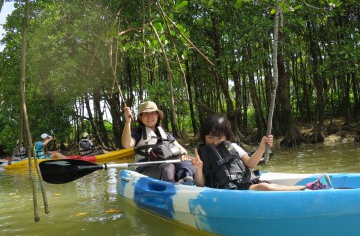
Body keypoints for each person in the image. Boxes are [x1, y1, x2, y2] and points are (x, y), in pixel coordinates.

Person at [191, 114, 322, 191]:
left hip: (245, 182)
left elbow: (251, 163)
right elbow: (200, 184)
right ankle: (306, 189)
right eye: (210, 137)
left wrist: (262, 147)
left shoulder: (233, 147)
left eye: (218, 137)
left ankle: (307, 188)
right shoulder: (202, 155)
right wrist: (198, 168)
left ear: (226, 136)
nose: (214, 141)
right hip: (229, 190)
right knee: (265, 187)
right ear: (204, 137)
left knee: (270, 185)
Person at [121, 101, 194, 184]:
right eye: (146, 114)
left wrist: (183, 155)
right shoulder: (138, 133)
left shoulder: (166, 134)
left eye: (152, 113)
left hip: (167, 165)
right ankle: (174, 189)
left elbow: (181, 149)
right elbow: (126, 145)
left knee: (185, 164)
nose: (150, 116)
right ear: (141, 117)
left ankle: (186, 183)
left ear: (157, 115)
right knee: (169, 168)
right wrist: (128, 122)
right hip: (146, 169)